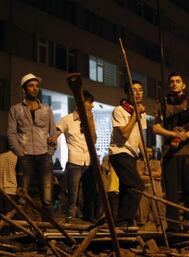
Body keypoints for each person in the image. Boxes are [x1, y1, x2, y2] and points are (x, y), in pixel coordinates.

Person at [153, 72, 189, 232]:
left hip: (188, 153)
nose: (174, 84)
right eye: (172, 81)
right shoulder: (163, 104)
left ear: (183, 85)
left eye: (178, 81)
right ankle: (173, 227)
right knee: (172, 193)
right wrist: (174, 134)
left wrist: (186, 135)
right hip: (170, 154)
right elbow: (155, 127)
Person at [7, 73, 56, 216]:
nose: (35, 89)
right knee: (22, 198)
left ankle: (48, 231)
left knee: (47, 199)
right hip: (25, 156)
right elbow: (11, 133)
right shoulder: (16, 109)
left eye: (37, 86)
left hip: (44, 156)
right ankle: (19, 231)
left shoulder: (47, 109)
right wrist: (19, 152)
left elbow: (53, 132)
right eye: (31, 85)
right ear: (24, 89)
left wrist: (50, 152)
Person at [49, 90, 97, 221]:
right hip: (74, 163)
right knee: (73, 197)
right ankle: (71, 221)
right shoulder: (67, 119)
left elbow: (93, 140)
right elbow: (56, 132)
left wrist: (91, 121)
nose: (92, 106)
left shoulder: (91, 121)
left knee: (90, 196)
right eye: (89, 103)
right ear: (81, 103)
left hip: (90, 163)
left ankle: (88, 222)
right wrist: (52, 139)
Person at [108, 81, 146, 227]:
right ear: (128, 93)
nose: (138, 93)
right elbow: (124, 134)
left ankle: (125, 222)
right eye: (134, 90)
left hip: (131, 154)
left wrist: (144, 155)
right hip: (119, 152)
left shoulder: (141, 113)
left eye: (140, 90)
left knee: (127, 188)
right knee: (136, 185)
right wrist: (135, 116)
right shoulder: (119, 110)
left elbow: (140, 137)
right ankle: (123, 221)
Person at [136, 146, 163, 226]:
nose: (149, 153)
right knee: (143, 211)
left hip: (155, 188)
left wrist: (146, 173)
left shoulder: (156, 162)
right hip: (144, 188)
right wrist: (153, 175)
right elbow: (139, 176)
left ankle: (159, 229)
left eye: (151, 152)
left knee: (157, 209)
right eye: (147, 151)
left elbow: (159, 173)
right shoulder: (138, 163)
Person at [0, 148, 18, 214]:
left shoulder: (1, 156)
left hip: (1, 190)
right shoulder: (17, 156)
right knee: (10, 219)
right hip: (11, 191)